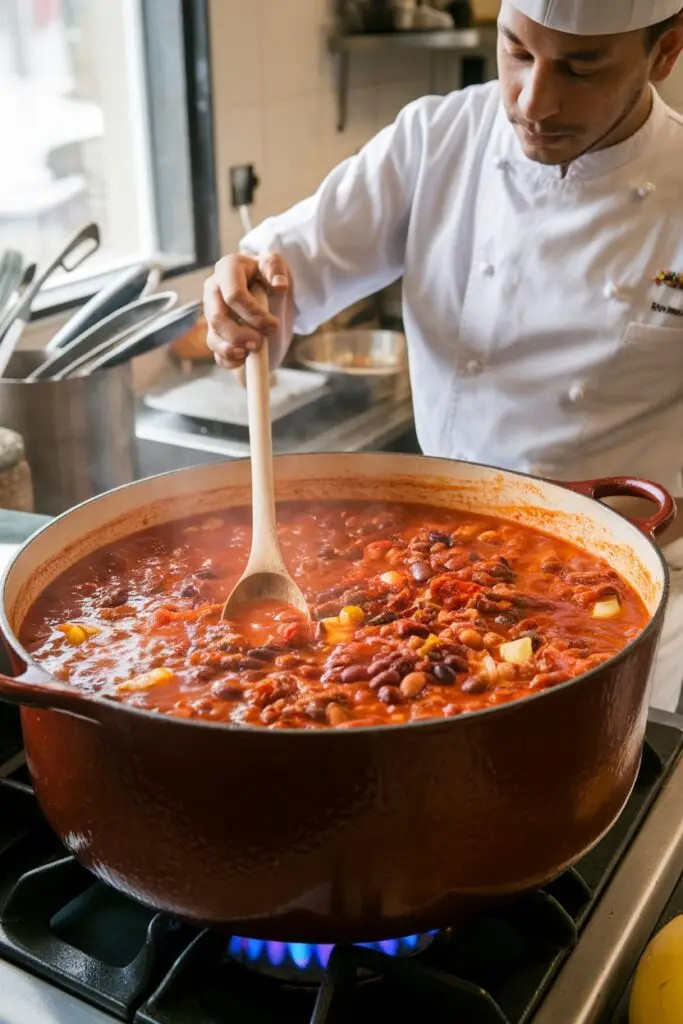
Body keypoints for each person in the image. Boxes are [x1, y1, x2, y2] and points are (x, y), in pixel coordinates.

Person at [203, 0, 683, 712]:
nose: (532, 101)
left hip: (627, 587)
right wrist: (243, 293)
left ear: (663, 53)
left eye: (580, 68)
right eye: (516, 51)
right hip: (432, 571)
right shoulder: (438, 137)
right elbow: (290, 263)